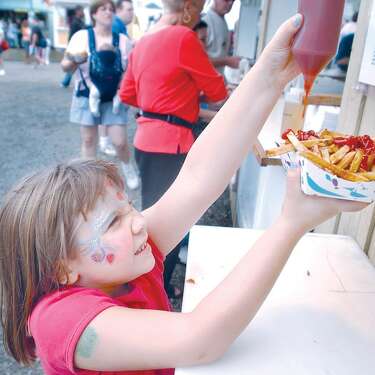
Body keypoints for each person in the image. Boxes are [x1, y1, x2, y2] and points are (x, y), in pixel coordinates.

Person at [0, 15, 369, 375]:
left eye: (128, 206)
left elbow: (197, 178)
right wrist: (291, 223)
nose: (138, 222)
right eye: (114, 221)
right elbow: (199, 340)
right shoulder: (60, 321)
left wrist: (270, 77)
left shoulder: (127, 260)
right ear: (61, 267)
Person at [119, 0, 228, 298]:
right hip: (171, 142)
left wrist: (167, 94)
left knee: (152, 218)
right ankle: (157, 293)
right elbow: (217, 91)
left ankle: (149, 288)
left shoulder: (143, 42)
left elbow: (127, 93)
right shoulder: (182, 37)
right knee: (169, 225)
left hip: (146, 139)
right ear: (190, 7)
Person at [61, 0, 139, 190]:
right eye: (103, 9)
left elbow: (129, 71)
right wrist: (74, 61)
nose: (108, 12)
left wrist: (123, 90)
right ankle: (88, 178)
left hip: (114, 97)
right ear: (94, 14)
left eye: (111, 9)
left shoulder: (122, 41)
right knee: (88, 140)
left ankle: (128, 168)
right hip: (87, 95)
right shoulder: (81, 37)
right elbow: (65, 66)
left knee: (120, 141)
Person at [98, 0, 135, 157]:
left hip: (110, 78)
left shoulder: (118, 26)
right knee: (108, 108)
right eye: (129, 9)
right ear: (119, 10)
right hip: (113, 78)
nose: (132, 13)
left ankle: (105, 141)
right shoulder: (117, 25)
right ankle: (105, 141)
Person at [202, 0, 241, 72]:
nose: (230, 3)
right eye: (226, 0)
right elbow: (198, 60)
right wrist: (227, 61)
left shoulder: (223, 21)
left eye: (233, 0)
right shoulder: (205, 22)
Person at [61, 6, 86, 88]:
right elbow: (74, 34)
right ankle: (65, 82)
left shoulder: (79, 21)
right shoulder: (76, 22)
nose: (83, 13)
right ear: (77, 11)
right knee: (74, 63)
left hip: (79, 46)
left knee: (76, 64)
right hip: (76, 46)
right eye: (82, 11)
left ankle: (66, 82)